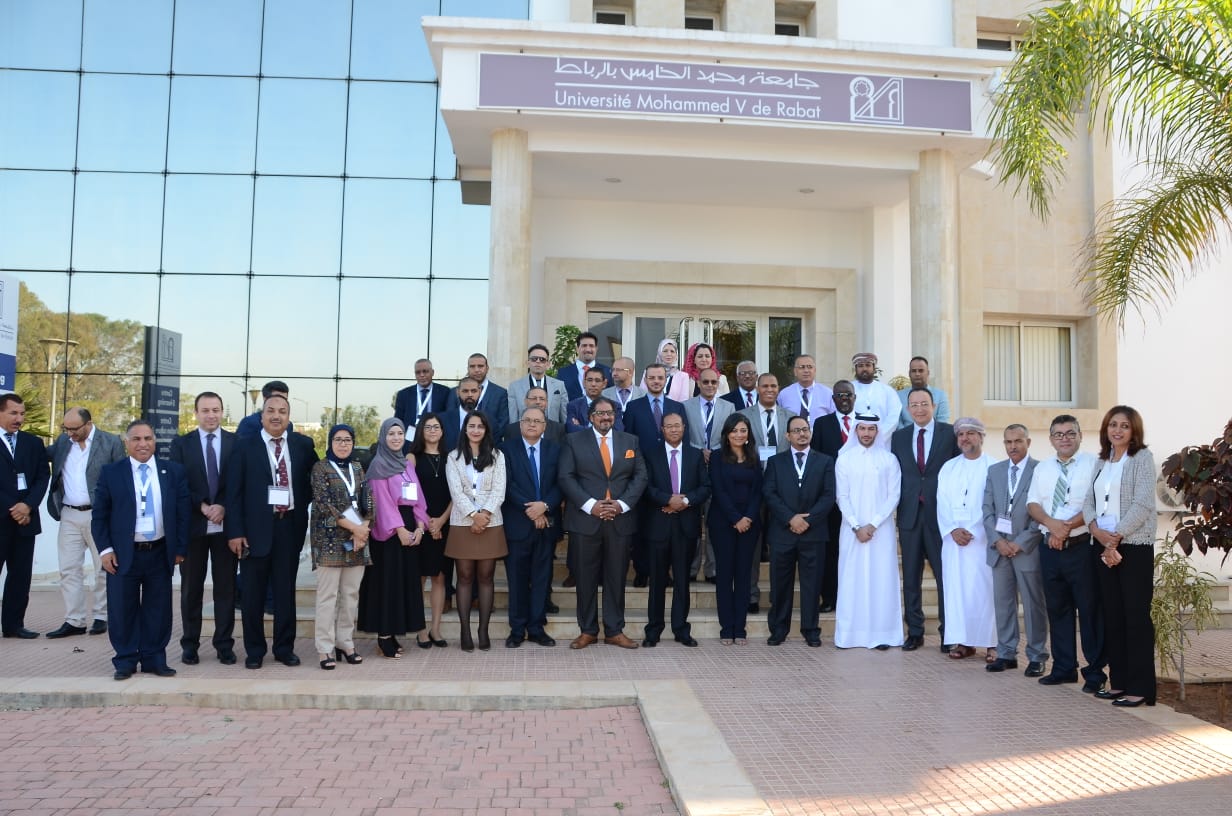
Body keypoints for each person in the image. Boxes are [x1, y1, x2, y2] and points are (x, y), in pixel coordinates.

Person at [225, 394, 319, 669]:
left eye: (282, 411)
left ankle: (284, 648)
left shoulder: (303, 445)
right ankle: (255, 651)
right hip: (254, 531)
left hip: (289, 527)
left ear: (289, 416)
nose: (276, 416)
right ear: (262, 415)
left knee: (285, 592)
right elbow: (233, 493)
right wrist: (235, 532)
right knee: (252, 595)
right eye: (271, 411)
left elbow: (316, 481)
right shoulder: (244, 446)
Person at [93, 419, 189, 680]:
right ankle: (125, 660)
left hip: (159, 551)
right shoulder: (112, 473)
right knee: (122, 609)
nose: (142, 444)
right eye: (136, 439)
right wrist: (105, 550)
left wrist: (180, 548)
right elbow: (99, 516)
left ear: (154, 442)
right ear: (126, 443)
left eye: (147, 438)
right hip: (123, 554)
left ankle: (154, 659)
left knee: (158, 609)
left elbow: (183, 513)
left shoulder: (173, 471)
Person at [1026, 414, 1106, 692]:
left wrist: (1066, 528)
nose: (1065, 439)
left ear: (1080, 436)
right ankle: (1063, 668)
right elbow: (1033, 504)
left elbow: (1095, 503)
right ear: (1051, 439)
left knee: (1090, 610)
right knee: (1058, 609)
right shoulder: (1043, 468)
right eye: (1059, 434)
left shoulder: (1095, 464)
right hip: (1050, 548)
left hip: (1082, 546)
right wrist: (1052, 526)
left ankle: (1095, 673)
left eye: (1070, 433)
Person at [559, 397, 647, 650]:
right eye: (600, 413)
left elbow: (640, 476)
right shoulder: (573, 441)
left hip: (620, 520)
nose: (605, 417)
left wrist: (621, 504)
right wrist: (591, 505)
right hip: (586, 520)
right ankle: (587, 631)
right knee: (585, 579)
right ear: (590, 417)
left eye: (610, 413)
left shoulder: (630, 441)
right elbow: (566, 477)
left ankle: (614, 630)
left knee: (616, 578)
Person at [1084, 406, 1157, 707]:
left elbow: (1143, 503)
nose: (1117, 430)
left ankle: (1140, 688)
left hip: (1133, 545)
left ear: (1134, 430)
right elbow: (1088, 501)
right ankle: (1119, 682)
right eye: (1113, 425)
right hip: (1103, 544)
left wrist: (1115, 537)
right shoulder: (1102, 460)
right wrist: (1095, 530)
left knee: (1135, 616)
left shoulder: (1142, 459)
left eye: (1124, 426)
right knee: (1112, 615)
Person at [45, 406, 125, 639]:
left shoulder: (110, 442)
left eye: (74, 429)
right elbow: (39, 456)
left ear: (88, 424)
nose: (70, 433)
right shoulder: (63, 442)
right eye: (66, 429)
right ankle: (75, 620)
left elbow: (122, 478)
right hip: (69, 513)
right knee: (68, 569)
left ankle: (101, 616)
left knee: (103, 567)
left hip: (99, 515)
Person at [168, 393, 237, 664]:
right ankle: (190, 644)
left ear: (222, 412)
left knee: (226, 589)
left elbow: (239, 481)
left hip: (225, 527)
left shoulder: (235, 442)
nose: (211, 415)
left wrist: (222, 506)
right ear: (196, 413)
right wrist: (202, 506)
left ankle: (224, 645)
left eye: (216, 410)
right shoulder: (181, 444)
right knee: (191, 589)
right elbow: (178, 483)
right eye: (206, 410)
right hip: (193, 527)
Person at [891, 386, 959, 652]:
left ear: (934, 406)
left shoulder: (949, 434)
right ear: (908, 409)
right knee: (910, 578)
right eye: (914, 405)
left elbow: (957, 472)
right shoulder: (898, 437)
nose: (919, 409)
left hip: (940, 516)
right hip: (909, 516)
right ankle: (915, 632)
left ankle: (948, 633)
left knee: (944, 577)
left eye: (924, 404)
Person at [762, 415, 836, 647]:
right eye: (796, 430)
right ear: (787, 435)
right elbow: (769, 493)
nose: (802, 434)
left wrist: (808, 520)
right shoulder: (775, 462)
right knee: (780, 585)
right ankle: (778, 629)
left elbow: (829, 496)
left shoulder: (825, 461)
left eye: (805, 429)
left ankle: (810, 629)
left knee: (812, 586)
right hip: (783, 533)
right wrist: (790, 518)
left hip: (813, 533)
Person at [981, 424, 1048, 676]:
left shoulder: (1040, 470)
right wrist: (997, 541)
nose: (1013, 446)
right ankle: (1006, 653)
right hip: (999, 549)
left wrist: (1020, 542)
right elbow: (987, 509)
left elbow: (1042, 511)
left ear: (1028, 442)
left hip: (1026, 549)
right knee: (1003, 604)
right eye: (1008, 442)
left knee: (1033, 605)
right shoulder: (995, 471)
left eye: (1018, 441)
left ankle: (1037, 655)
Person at [360, 417, 429, 658]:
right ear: (383, 437)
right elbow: (382, 502)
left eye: (399, 433)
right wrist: (399, 530)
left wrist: (420, 527)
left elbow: (418, 497)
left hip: (410, 528)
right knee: (387, 584)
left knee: (403, 584)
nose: (396, 437)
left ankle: (394, 631)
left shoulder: (406, 464)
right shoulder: (378, 466)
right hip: (389, 534)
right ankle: (384, 636)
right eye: (391, 434)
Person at [833, 414, 902, 649]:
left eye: (871, 429)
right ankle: (850, 636)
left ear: (877, 431)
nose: (866, 433)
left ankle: (883, 635)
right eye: (862, 429)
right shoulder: (844, 459)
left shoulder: (889, 460)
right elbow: (842, 496)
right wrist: (856, 525)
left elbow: (893, 496)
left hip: (881, 531)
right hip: (851, 530)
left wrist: (872, 525)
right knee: (852, 580)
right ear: (856, 430)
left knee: (881, 580)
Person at [641, 412, 710, 647]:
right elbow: (646, 487)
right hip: (658, 525)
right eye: (668, 426)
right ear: (662, 429)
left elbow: (705, 487)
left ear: (684, 427)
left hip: (685, 526)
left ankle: (681, 629)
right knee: (657, 581)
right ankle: (653, 630)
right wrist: (668, 500)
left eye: (677, 425)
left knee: (682, 580)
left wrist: (685, 501)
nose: (673, 429)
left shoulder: (695, 455)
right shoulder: (650, 454)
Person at [309, 424, 371, 670]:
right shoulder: (321, 467)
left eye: (347, 440)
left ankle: (345, 643)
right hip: (329, 542)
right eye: (338, 439)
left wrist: (363, 529)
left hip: (356, 541)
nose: (343, 444)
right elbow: (324, 504)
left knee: (351, 595)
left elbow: (368, 500)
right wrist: (355, 528)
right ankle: (324, 648)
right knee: (328, 597)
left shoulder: (357, 467)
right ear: (330, 442)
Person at [445, 409, 508, 652]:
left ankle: (483, 630)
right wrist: (473, 515)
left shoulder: (497, 455)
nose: (475, 430)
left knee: (486, 576)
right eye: (471, 426)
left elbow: (500, 490)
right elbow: (455, 491)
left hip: (491, 521)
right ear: (465, 429)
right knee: (464, 577)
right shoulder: (453, 457)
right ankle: (464, 630)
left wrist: (484, 515)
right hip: (462, 522)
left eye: (480, 426)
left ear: (486, 430)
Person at [620, 363, 687, 586]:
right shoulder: (633, 407)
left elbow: (683, 440)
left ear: (666, 380)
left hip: (669, 473)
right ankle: (642, 570)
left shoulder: (677, 407)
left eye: (660, 377)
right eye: (652, 377)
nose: (656, 381)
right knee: (642, 524)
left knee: (666, 526)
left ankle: (664, 572)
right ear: (645, 380)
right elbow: (628, 441)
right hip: (641, 472)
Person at [500, 407, 561, 648]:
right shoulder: (506, 449)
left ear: (545, 426)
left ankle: (536, 628)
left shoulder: (555, 449)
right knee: (517, 580)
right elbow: (507, 484)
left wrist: (544, 506)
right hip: (517, 524)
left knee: (541, 579)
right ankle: (517, 630)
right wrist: (532, 510)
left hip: (546, 524)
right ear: (520, 424)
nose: (532, 424)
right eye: (528, 420)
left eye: (538, 421)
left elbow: (561, 483)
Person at [936, 417, 996, 661]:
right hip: (954, 542)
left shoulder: (994, 466)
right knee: (957, 592)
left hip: (982, 541)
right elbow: (941, 502)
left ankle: (992, 643)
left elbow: (993, 504)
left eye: (970, 433)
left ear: (981, 436)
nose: (965, 438)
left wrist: (973, 530)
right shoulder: (948, 467)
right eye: (961, 434)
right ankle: (964, 641)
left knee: (985, 592)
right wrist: (952, 529)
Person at [740, 372, 794, 613]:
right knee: (751, 548)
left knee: (780, 548)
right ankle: (751, 595)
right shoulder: (743, 416)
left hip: (782, 490)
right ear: (757, 389)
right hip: (751, 487)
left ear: (778, 388)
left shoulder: (790, 417)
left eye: (773, 385)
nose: (769, 390)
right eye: (765, 386)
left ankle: (778, 597)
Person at [707, 414, 762, 645]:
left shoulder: (753, 457)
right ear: (727, 434)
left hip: (749, 523)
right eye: (734, 430)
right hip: (723, 522)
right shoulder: (717, 457)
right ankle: (726, 628)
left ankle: (740, 628)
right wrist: (735, 518)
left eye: (743, 430)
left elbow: (758, 491)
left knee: (743, 575)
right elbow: (718, 490)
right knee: (724, 575)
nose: (739, 434)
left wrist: (748, 517)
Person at [0, 393, 50, 640]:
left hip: (26, 521)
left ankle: (13, 625)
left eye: (22, 413)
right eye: (13, 413)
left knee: (20, 576)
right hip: (4, 518)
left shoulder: (33, 443)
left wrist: (27, 506)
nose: (19, 418)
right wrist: (15, 508)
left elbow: (42, 477)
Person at [810, 379, 856, 613]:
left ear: (855, 397)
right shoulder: (822, 424)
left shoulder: (865, 423)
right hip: (831, 498)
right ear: (833, 399)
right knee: (830, 551)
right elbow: (816, 460)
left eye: (848, 395)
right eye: (839, 395)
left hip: (859, 498)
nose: (844, 399)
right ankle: (829, 597)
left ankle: (855, 598)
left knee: (856, 550)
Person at [684, 367, 733, 582]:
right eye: (706, 382)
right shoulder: (686, 406)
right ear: (698, 383)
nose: (710, 386)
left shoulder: (728, 407)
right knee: (692, 522)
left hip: (718, 469)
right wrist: (699, 451)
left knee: (714, 521)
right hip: (693, 470)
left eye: (714, 382)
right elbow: (683, 436)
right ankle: (691, 568)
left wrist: (714, 452)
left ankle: (713, 570)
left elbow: (732, 436)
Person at [407, 412, 452, 647]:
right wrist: (427, 523)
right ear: (421, 431)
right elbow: (410, 494)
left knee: (440, 577)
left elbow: (458, 493)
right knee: (420, 577)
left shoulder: (452, 458)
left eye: (436, 427)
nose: (432, 431)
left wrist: (441, 521)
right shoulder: (412, 458)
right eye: (428, 427)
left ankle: (436, 629)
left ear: (442, 431)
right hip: (420, 526)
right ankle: (421, 630)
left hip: (444, 524)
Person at [507, 343, 568, 425]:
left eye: (542, 359)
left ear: (548, 364)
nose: (538, 361)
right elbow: (513, 419)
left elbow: (564, 416)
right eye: (534, 359)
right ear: (528, 363)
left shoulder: (559, 385)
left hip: (553, 431)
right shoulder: (515, 387)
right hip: (525, 431)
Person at [449, 353, 509, 433]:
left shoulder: (500, 393)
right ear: (468, 369)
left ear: (487, 368)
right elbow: (449, 420)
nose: (476, 370)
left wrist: (487, 438)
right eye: (472, 366)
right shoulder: (454, 392)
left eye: (480, 366)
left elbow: (503, 423)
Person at [393, 358, 453, 439]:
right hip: (411, 439)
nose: (422, 375)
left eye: (425, 371)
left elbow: (449, 418)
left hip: (436, 438)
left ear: (432, 372)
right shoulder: (403, 394)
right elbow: (398, 421)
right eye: (418, 372)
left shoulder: (445, 392)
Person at [849, 353, 899, 448]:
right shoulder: (848, 389)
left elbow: (893, 417)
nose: (864, 369)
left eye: (868, 365)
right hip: (854, 443)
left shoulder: (887, 391)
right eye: (860, 366)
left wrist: (878, 437)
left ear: (874, 368)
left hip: (882, 443)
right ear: (855, 369)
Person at [897, 356, 951, 428]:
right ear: (909, 374)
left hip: (934, 434)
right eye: (914, 371)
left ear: (928, 373)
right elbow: (897, 421)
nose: (917, 374)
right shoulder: (898, 396)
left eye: (921, 370)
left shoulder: (940, 396)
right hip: (906, 434)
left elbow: (942, 422)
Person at [776, 354, 833, 422]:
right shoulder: (784, 394)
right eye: (802, 367)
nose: (806, 370)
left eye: (809, 367)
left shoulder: (827, 393)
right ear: (795, 371)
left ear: (815, 370)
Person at [560, 331, 613, 402]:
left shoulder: (607, 372)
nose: (588, 350)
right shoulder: (563, 373)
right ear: (577, 349)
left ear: (596, 349)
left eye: (591, 346)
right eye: (584, 346)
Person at [567, 368, 623, 433]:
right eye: (589, 380)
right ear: (584, 383)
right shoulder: (573, 405)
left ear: (604, 384)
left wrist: (581, 428)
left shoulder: (615, 406)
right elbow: (571, 429)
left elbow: (618, 430)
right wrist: (603, 428)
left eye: (597, 380)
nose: (593, 384)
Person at [641, 338, 691, 402]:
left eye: (672, 351)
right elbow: (642, 394)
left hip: (674, 408)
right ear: (660, 353)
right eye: (665, 351)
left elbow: (684, 400)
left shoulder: (683, 376)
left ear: (676, 355)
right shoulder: (648, 372)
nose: (669, 354)